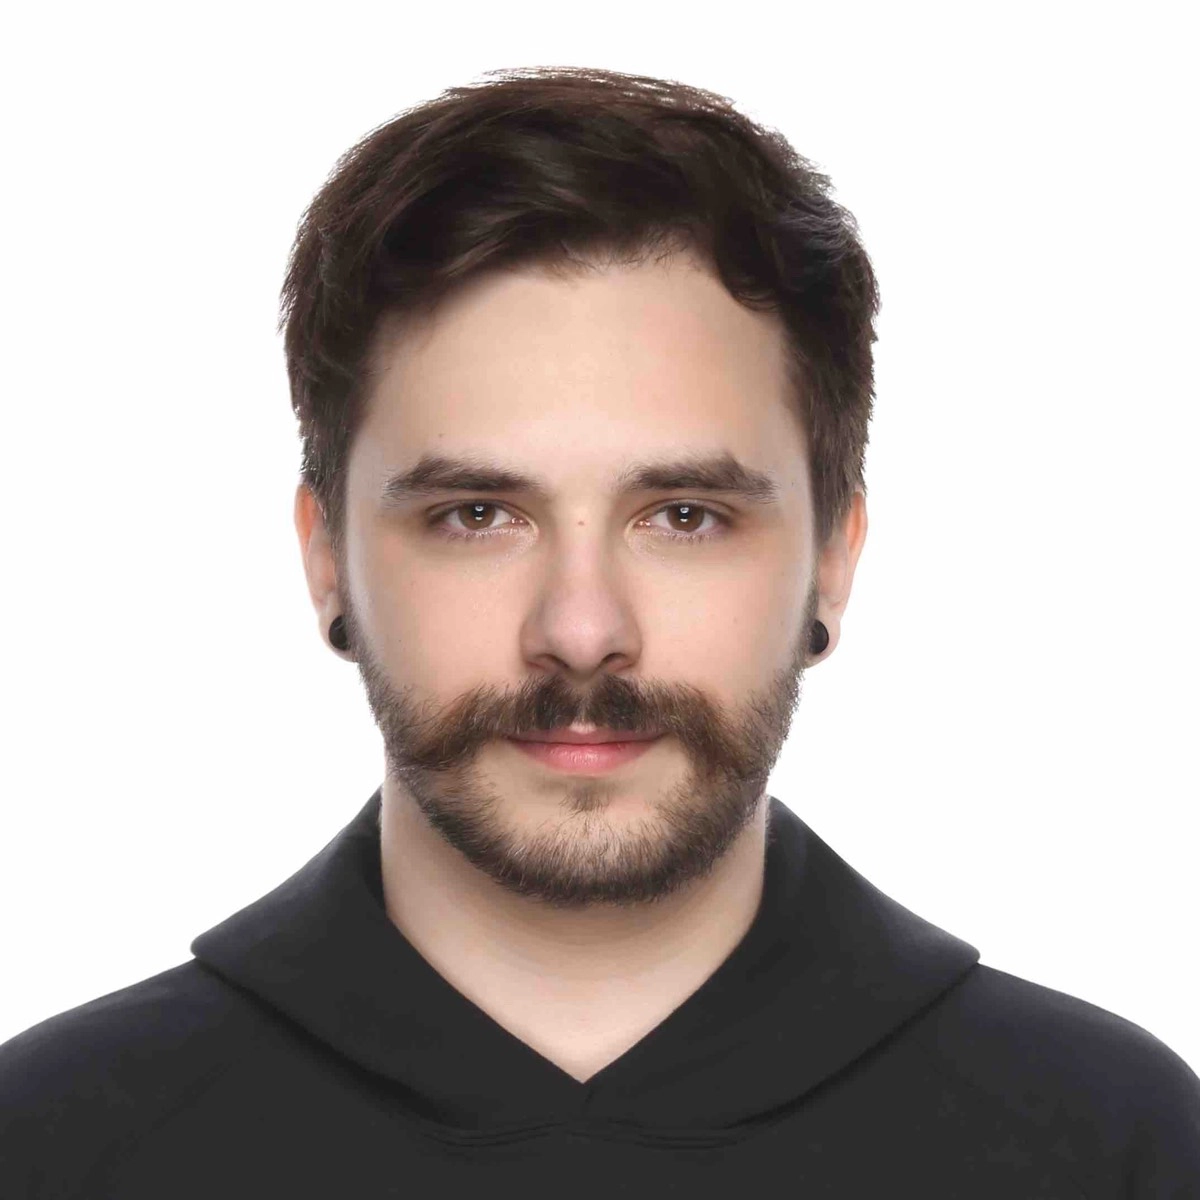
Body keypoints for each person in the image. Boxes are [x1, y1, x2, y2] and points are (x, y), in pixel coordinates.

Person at [1, 64, 1197, 1197]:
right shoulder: (52, 1146)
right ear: (327, 559)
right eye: (477, 514)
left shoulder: (1118, 1147)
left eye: (685, 515)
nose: (581, 631)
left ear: (834, 558)